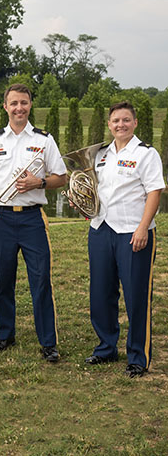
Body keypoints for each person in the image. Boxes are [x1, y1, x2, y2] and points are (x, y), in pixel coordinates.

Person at [0, 83, 66, 362]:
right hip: (1, 218)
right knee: (4, 280)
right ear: (5, 107)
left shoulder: (45, 140)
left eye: (24, 103)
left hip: (33, 218)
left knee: (40, 280)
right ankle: (5, 336)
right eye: (14, 103)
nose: (19, 108)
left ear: (30, 105)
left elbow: (61, 177)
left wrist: (40, 182)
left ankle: (48, 342)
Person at [83, 101, 165, 377]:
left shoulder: (146, 154)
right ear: (109, 124)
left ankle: (138, 357)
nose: (121, 125)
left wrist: (143, 227)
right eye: (116, 121)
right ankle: (106, 348)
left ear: (135, 123)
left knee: (136, 295)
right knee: (101, 293)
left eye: (126, 120)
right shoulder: (101, 154)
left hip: (133, 231)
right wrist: (83, 203)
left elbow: (155, 191)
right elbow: (94, 187)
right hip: (101, 229)